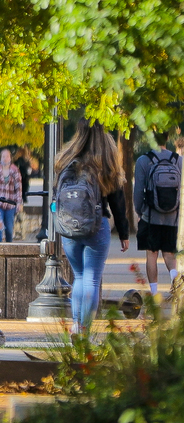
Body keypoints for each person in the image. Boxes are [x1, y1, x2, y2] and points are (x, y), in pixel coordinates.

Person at [55, 118, 129, 335]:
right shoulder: (105, 161)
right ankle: (83, 330)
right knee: (91, 279)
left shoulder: (64, 159)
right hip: (97, 226)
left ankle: (76, 325)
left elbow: (55, 195)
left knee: (78, 276)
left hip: (68, 226)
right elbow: (117, 200)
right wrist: (123, 232)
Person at [132, 131, 181, 297]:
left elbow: (138, 192)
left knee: (151, 256)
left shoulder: (143, 161)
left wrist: (140, 211)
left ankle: (154, 294)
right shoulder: (179, 161)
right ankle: (177, 284)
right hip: (173, 218)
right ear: (168, 138)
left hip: (150, 216)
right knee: (169, 255)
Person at [0, 148, 23, 242]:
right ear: (0, 158)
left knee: (9, 228)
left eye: (7, 156)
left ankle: (9, 246)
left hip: (10, 204)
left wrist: (19, 203)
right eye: (3, 156)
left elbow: (18, 188)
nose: (5, 158)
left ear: (10, 158)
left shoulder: (15, 170)